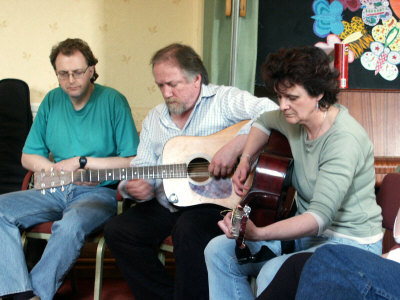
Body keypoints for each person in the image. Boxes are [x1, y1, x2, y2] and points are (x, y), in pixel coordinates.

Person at [204, 46, 384, 299]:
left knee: (275, 272)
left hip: (351, 243)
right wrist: (246, 159)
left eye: (291, 97)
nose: (283, 105)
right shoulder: (295, 119)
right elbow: (262, 122)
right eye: (279, 96)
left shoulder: (344, 139)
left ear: (318, 93)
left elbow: (318, 218)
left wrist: (260, 233)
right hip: (308, 238)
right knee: (218, 251)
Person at [103, 43, 278, 300]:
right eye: (160, 85)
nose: (166, 92)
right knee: (118, 230)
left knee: (188, 230)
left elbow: (271, 111)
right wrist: (134, 186)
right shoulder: (155, 118)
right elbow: (141, 166)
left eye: (173, 84)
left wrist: (235, 147)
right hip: (167, 202)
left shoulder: (223, 100)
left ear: (196, 79)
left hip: (216, 202)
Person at [0, 38, 139, 300]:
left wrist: (81, 161)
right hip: (54, 189)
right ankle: (19, 293)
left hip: (97, 192)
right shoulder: (52, 101)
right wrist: (57, 172)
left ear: (90, 70)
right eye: (63, 73)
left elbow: (132, 162)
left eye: (77, 72)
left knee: (69, 226)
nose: (70, 79)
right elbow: (28, 156)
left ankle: (36, 293)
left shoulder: (113, 101)